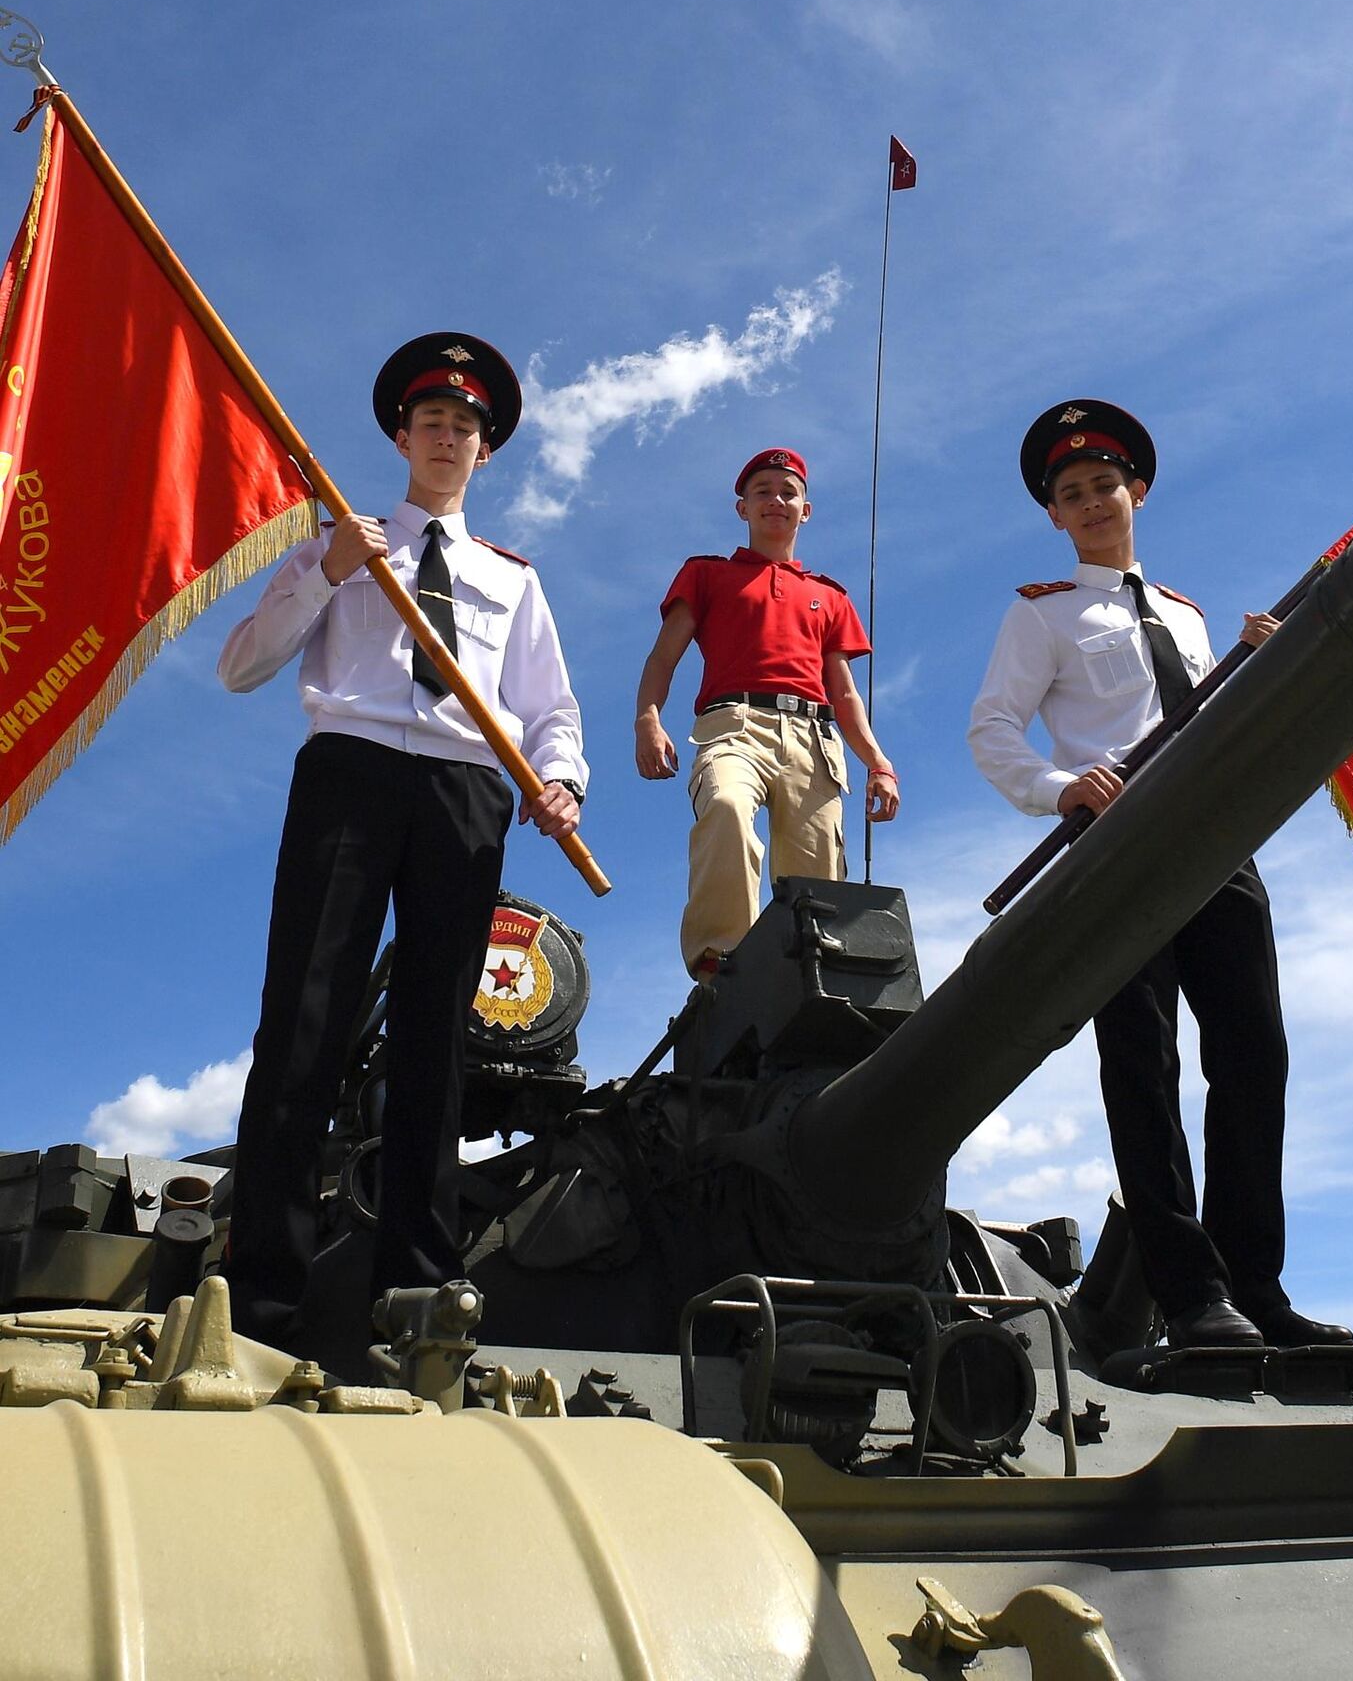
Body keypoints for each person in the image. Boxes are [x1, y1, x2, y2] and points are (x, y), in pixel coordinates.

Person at [218, 332, 587, 1346]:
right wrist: (326, 573)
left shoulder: (513, 578)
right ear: (400, 434)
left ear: (486, 451)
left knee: (439, 1040)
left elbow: (550, 708)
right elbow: (242, 665)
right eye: (432, 420)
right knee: (306, 1023)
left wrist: (560, 781)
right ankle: (261, 1302)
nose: (448, 436)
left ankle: (415, 1294)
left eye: (467, 426)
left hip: (467, 794)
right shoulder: (345, 543)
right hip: (351, 774)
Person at [968, 399, 1352, 1351]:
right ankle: (1190, 1293)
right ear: (1054, 517)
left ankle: (1256, 1286)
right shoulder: (1042, 615)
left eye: (1105, 485)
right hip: (1119, 849)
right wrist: (1063, 789)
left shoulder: (1184, 614)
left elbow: (1209, 719)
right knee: (1144, 1068)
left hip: (1217, 842)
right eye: (1072, 493)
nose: (1093, 502)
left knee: (1254, 1058)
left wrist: (1252, 667)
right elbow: (992, 730)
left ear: (1135, 492)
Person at [634, 447, 900, 974]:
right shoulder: (707, 575)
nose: (775, 500)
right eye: (762, 492)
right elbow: (664, 656)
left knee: (815, 871)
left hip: (813, 737)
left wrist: (879, 762)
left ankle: (810, 972)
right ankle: (721, 961)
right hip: (734, 726)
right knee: (728, 807)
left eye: (788, 492)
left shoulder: (829, 596)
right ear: (742, 508)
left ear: (806, 509)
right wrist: (648, 718)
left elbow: (843, 693)